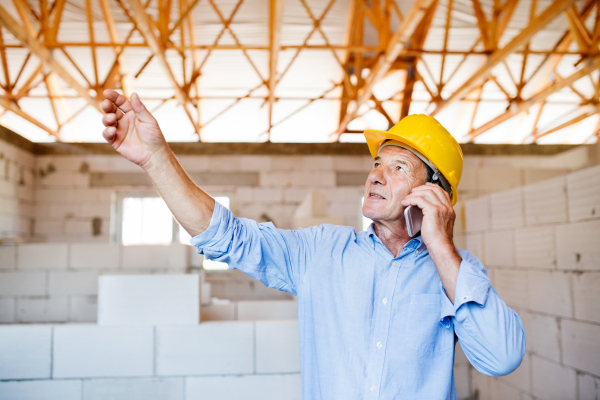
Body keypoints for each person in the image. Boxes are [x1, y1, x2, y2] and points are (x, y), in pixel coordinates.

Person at [101, 90, 526, 400]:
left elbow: (501, 358)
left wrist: (442, 247)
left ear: (435, 195)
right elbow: (225, 236)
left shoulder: (458, 273)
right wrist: (157, 160)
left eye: (397, 167)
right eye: (376, 163)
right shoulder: (322, 251)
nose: (375, 175)